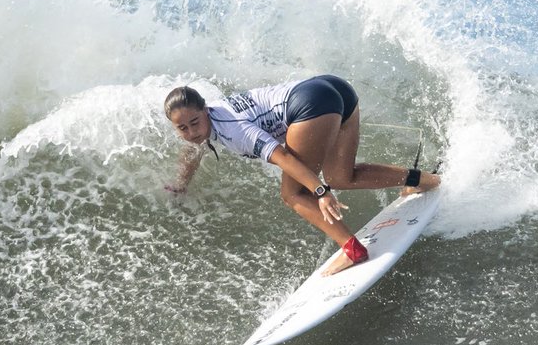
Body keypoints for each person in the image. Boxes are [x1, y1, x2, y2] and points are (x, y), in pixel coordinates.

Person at [164, 74, 440, 275]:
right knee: (343, 176)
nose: (191, 132)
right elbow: (193, 149)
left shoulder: (234, 131)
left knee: (292, 194)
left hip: (310, 107)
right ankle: (427, 181)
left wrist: (320, 191)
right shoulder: (210, 118)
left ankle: (353, 250)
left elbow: (281, 156)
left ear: (206, 111)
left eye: (195, 122)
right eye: (182, 128)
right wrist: (180, 184)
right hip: (333, 88)